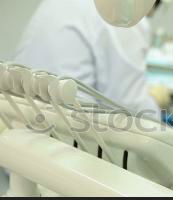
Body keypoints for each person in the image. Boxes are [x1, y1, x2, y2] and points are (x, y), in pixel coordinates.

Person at [15, 0, 163, 119]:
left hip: (18, 121)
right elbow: (132, 110)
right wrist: (156, 102)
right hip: (71, 137)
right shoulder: (123, 13)